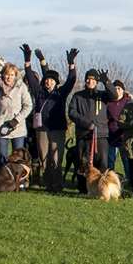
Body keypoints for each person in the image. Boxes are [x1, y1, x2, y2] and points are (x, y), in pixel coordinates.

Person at [28, 48, 78, 190]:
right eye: (47, 80)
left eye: (51, 80)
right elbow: (31, 78)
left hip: (57, 129)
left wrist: (71, 64)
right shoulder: (39, 93)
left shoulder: (61, 93)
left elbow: (71, 80)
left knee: (56, 158)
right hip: (42, 130)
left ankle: (57, 184)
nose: (48, 82)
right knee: (44, 157)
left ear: (56, 83)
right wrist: (28, 61)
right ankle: (48, 183)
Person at [0, 61, 33, 173]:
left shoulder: (21, 87)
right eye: (7, 74)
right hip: (0, 126)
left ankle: (19, 182)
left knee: (19, 157)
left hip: (17, 127)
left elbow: (28, 105)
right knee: (2, 156)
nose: (9, 77)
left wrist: (16, 120)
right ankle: (2, 180)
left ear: (15, 76)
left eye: (12, 75)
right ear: (2, 74)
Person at [69, 65, 115, 173]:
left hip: (101, 136)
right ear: (85, 80)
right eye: (88, 79)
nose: (90, 81)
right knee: (83, 164)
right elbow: (72, 112)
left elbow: (114, 95)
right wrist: (86, 124)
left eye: (93, 79)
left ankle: (100, 187)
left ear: (97, 81)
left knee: (102, 165)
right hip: (83, 135)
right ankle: (83, 189)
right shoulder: (77, 96)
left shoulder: (102, 95)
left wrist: (106, 82)